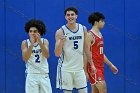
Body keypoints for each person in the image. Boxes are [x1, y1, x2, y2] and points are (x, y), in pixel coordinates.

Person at [54, 7, 88, 93]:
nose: (70, 17)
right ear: (65, 17)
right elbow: (57, 54)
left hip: (80, 69)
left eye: (72, 14)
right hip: (66, 69)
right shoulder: (60, 31)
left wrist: (86, 69)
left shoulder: (83, 29)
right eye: (68, 15)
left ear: (76, 16)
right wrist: (61, 42)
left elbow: (86, 50)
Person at [84, 12, 118, 93]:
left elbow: (101, 54)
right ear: (96, 22)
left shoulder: (100, 34)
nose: (104, 23)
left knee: (96, 91)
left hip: (100, 66)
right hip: (94, 67)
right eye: (102, 21)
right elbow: (85, 54)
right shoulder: (89, 35)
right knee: (103, 89)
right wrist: (85, 71)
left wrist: (111, 65)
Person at [21, 19, 52, 93]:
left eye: (35, 31)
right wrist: (32, 44)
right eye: (30, 31)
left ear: (39, 32)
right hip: (32, 75)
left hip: (44, 74)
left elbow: (47, 55)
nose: (32, 33)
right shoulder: (25, 43)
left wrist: (39, 43)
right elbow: (25, 58)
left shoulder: (45, 41)